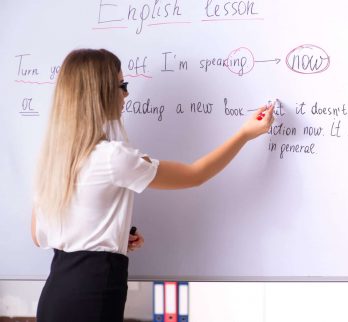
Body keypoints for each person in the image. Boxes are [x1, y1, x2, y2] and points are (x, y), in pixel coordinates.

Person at [31, 48, 274, 322]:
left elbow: (39, 234)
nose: (126, 94)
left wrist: (115, 234)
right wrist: (244, 134)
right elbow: (195, 174)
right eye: (121, 85)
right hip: (93, 294)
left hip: (55, 295)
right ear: (99, 93)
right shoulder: (113, 158)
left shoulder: (53, 160)